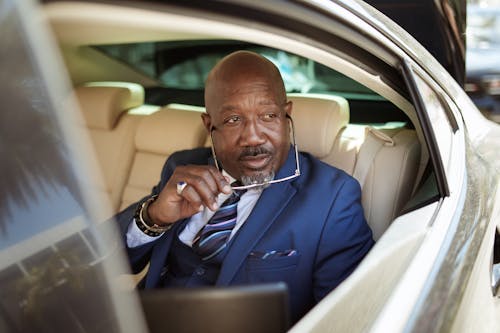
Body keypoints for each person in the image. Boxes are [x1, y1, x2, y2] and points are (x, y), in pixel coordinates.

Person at [115, 50, 374, 323]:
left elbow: (347, 318)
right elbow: (105, 262)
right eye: (233, 120)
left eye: (268, 116)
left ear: (286, 116)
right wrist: (153, 216)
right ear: (209, 124)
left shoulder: (333, 198)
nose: (252, 136)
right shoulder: (181, 169)